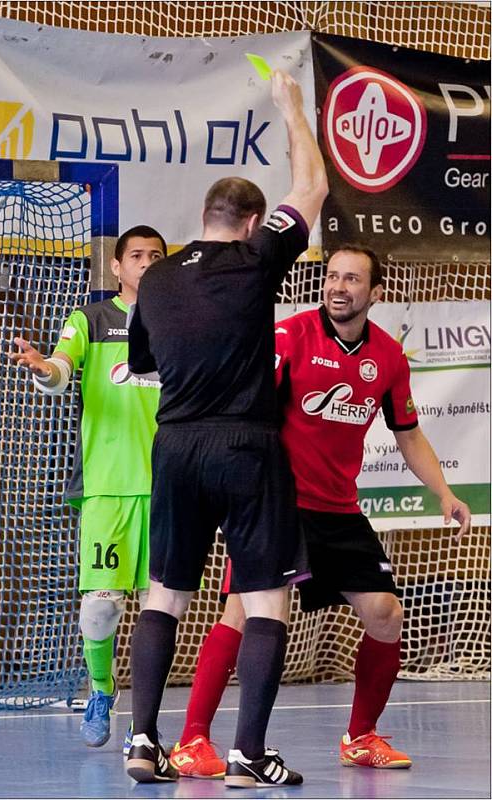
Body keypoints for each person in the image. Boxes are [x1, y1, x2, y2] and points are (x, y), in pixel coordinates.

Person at [170, 244, 472, 776]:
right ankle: (192, 741)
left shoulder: (389, 357)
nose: (338, 286)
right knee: (241, 614)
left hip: (339, 508)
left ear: (375, 293)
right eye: (332, 276)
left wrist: (444, 492)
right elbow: (247, 406)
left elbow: (409, 434)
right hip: (276, 504)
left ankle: (360, 737)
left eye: (352, 279)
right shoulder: (291, 338)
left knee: (385, 614)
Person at [124, 69, 328, 787]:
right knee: (267, 598)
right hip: (244, 446)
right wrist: (290, 108)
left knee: (163, 593)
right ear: (251, 223)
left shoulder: (156, 278)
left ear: (204, 216)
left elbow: (144, 360)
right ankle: (247, 755)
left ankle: (144, 743)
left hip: (174, 448)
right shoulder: (255, 259)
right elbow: (312, 191)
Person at [10, 225, 167, 748]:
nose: (146, 262)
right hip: (106, 486)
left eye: (156, 256)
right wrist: (41, 368)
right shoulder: (91, 319)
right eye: (137, 255)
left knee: (163, 611)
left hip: (170, 487)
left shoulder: (181, 322)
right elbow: (59, 369)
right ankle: (102, 689)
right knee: (100, 605)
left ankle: (146, 727)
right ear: (117, 267)